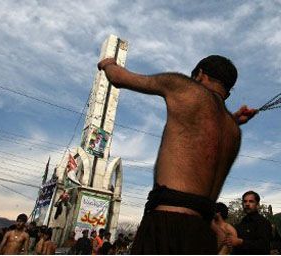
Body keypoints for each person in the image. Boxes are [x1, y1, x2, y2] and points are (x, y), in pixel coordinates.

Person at [98, 55, 256, 254]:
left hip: (167, 225)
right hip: (203, 235)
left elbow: (119, 78)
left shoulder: (184, 87)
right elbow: (207, 137)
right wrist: (232, 119)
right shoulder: (233, 130)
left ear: (199, 75)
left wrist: (107, 63)